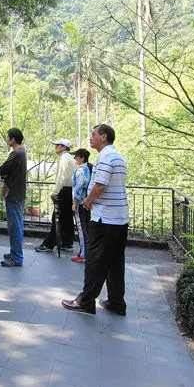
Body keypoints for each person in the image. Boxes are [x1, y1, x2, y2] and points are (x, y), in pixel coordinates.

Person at [63, 124, 129, 316]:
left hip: (105, 218)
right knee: (115, 261)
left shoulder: (106, 156)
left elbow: (100, 185)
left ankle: (85, 301)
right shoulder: (117, 156)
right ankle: (117, 302)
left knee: (95, 260)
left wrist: (87, 201)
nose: (90, 137)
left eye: (93, 134)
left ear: (104, 136)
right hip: (119, 218)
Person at [37, 138, 76, 253]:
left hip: (64, 191)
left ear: (63, 147)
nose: (56, 147)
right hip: (71, 191)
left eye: (58, 145)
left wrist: (55, 192)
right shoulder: (71, 158)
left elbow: (61, 177)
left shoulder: (64, 158)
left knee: (57, 218)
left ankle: (49, 244)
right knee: (68, 218)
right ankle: (67, 243)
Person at [0, 128, 27, 267]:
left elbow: (3, 169)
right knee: (16, 225)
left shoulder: (17, 153)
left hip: (14, 194)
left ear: (13, 139)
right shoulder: (22, 152)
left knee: (14, 226)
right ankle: (15, 252)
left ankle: (16, 257)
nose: (7, 140)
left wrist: (4, 175)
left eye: (8, 138)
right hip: (18, 193)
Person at [71, 148, 92, 263]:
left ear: (82, 158)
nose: (75, 158)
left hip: (80, 203)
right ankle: (84, 251)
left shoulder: (80, 170)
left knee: (81, 228)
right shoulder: (88, 169)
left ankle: (84, 254)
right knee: (86, 227)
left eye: (76, 156)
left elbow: (78, 188)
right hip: (86, 201)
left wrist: (74, 203)